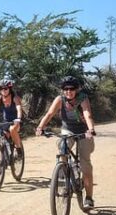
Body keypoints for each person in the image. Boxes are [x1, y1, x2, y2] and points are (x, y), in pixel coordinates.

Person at [35, 76, 98, 208]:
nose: (68, 91)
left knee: (85, 165)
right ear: (63, 90)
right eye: (66, 89)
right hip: (68, 130)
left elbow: (87, 114)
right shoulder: (60, 99)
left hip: (84, 132)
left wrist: (91, 129)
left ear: (77, 89)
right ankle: (64, 174)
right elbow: (49, 114)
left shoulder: (82, 98)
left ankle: (89, 198)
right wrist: (40, 127)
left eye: (72, 89)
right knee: (63, 148)